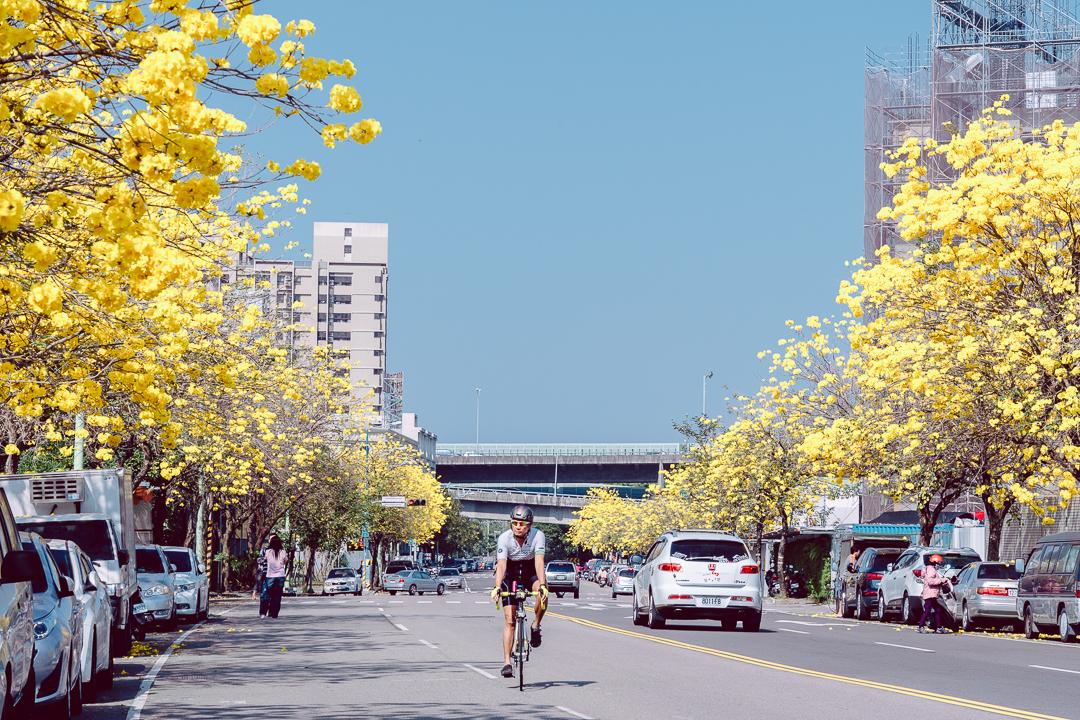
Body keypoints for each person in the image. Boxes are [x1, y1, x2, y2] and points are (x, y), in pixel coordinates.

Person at [490, 505, 548, 679]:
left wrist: (543, 585)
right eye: (514, 523)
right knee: (510, 620)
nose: (518, 526)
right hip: (511, 572)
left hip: (530, 571)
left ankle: (536, 625)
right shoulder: (504, 538)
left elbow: (539, 562)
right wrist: (497, 586)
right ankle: (507, 662)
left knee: (543, 594)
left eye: (522, 524)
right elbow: (501, 565)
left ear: (529, 525)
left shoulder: (538, 536)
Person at [917, 554, 947, 634]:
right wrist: (941, 580)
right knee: (927, 610)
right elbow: (930, 582)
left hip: (931, 593)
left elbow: (933, 581)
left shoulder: (930, 569)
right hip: (930, 594)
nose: (939, 564)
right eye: (939, 563)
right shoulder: (931, 570)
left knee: (937, 610)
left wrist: (942, 582)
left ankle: (938, 627)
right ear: (935, 562)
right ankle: (920, 626)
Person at [264, 535, 288, 619]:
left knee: (270, 595)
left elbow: (265, 560)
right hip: (280, 576)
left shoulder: (268, 552)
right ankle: (275, 613)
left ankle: (269, 611)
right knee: (277, 596)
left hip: (270, 576)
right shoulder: (283, 552)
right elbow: (285, 561)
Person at [252, 538, 270, 618]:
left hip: (275, 575)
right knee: (264, 594)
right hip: (264, 573)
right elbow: (259, 559)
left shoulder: (279, 551)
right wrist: (265, 559)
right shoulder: (264, 550)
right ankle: (262, 612)